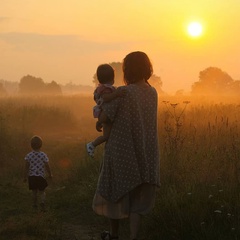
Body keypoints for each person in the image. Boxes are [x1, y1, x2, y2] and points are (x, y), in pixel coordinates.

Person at [92, 51, 160, 240]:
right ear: (147, 68)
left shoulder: (123, 93)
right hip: (146, 152)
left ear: (127, 70)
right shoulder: (152, 92)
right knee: (138, 203)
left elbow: (105, 116)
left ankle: (113, 235)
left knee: (115, 193)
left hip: (122, 150)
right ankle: (133, 237)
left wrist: (100, 118)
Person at [86, 64, 125, 157]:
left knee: (109, 134)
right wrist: (116, 94)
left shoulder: (102, 87)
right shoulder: (106, 88)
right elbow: (106, 98)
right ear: (112, 78)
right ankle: (92, 145)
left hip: (105, 113)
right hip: (106, 114)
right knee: (106, 136)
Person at [24, 135, 52, 211]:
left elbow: (26, 167)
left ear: (31, 145)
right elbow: (47, 166)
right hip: (41, 177)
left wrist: (25, 177)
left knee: (34, 192)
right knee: (42, 191)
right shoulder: (43, 155)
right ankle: (42, 203)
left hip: (32, 177)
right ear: (41, 145)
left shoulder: (28, 155)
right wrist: (50, 174)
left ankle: (34, 205)